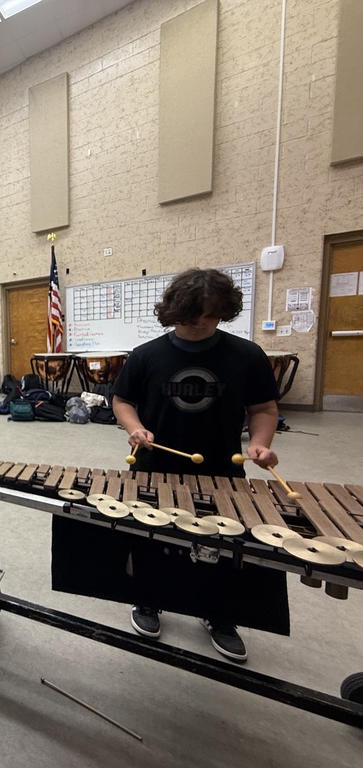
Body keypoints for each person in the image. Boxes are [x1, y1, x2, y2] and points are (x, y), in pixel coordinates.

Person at [83, 267, 286, 662]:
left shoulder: (246, 355)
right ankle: (148, 600)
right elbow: (122, 401)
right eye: (186, 319)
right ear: (172, 313)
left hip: (222, 471)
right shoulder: (146, 356)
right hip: (154, 467)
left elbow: (263, 408)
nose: (195, 326)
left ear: (222, 313)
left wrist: (260, 445)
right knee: (149, 537)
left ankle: (219, 615)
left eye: (206, 318)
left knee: (223, 543)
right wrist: (136, 428)